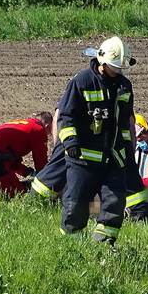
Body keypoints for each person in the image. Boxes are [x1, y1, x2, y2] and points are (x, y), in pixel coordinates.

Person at [54, 36, 136, 244]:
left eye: (120, 68)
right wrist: (70, 141)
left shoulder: (124, 86)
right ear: (101, 62)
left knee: (115, 202)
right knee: (76, 205)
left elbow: (125, 122)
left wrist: (127, 149)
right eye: (114, 67)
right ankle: (70, 246)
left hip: (113, 158)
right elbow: (66, 116)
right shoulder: (81, 82)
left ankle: (103, 245)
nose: (118, 72)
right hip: (83, 158)